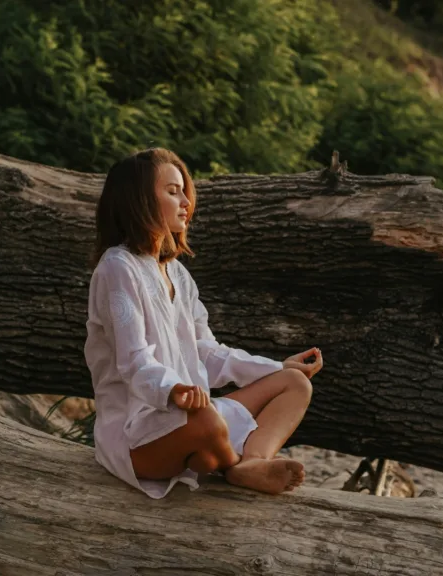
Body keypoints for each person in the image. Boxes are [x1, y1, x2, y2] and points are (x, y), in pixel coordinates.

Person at [84, 148, 323, 499]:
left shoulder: (178, 275)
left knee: (294, 385)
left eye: (184, 191)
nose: (186, 202)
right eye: (172, 191)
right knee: (208, 421)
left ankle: (249, 462)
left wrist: (275, 367)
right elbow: (133, 360)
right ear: (138, 200)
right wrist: (173, 390)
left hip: (193, 417)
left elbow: (208, 354)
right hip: (137, 435)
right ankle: (225, 460)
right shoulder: (118, 267)